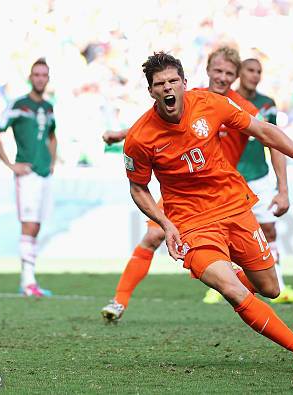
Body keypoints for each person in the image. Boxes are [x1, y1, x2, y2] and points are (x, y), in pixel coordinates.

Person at [124, 51, 293, 374]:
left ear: (184, 83)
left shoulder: (210, 104)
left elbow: (263, 131)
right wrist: (166, 223)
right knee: (234, 291)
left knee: (270, 288)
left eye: (172, 81)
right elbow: (138, 188)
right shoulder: (140, 138)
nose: (167, 88)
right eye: (159, 84)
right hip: (191, 225)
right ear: (151, 91)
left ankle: (232, 280)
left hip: (234, 208)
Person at [100, 47, 283, 319]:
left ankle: (232, 284)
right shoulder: (188, 96)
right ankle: (119, 301)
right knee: (153, 235)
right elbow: (155, 124)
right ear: (207, 70)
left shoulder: (239, 106)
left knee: (265, 253)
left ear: (236, 77)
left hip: (221, 193)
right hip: (182, 190)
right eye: (218, 71)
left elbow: (271, 138)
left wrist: (283, 187)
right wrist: (122, 134)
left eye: (229, 73)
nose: (222, 77)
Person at [203, 58, 293, 305]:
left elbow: (273, 141)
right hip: (227, 180)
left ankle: (279, 285)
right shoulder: (218, 99)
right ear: (239, 73)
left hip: (258, 176)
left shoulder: (265, 104)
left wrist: (283, 188)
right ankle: (221, 284)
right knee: (222, 234)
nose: (255, 75)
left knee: (268, 230)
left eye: (259, 71)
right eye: (250, 70)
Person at [0, 58, 57, 297]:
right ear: (30, 77)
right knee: (28, 225)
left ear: (48, 78)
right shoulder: (19, 105)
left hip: (44, 174)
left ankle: (29, 280)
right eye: (36, 74)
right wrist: (9, 164)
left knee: (36, 226)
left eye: (44, 75)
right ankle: (28, 282)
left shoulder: (48, 107)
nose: (40, 78)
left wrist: (53, 161)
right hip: (27, 175)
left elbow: (52, 136)